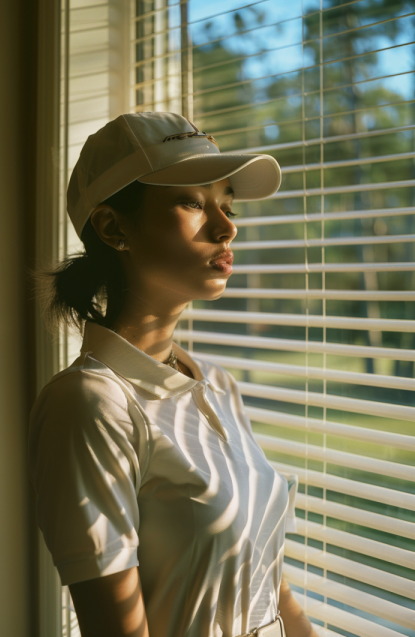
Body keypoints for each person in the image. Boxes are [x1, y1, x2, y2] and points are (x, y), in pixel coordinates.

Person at [29, 112, 319, 637]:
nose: (228, 226)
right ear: (115, 227)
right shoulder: (91, 404)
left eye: (226, 205)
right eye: (192, 202)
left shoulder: (215, 385)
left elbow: (268, 583)